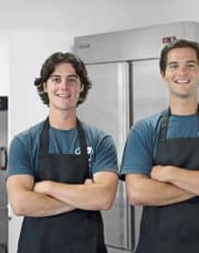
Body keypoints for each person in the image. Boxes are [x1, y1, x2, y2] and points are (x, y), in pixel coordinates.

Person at [120, 39, 199, 253]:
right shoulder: (144, 130)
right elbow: (137, 193)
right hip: (158, 246)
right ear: (163, 74)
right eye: (174, 66)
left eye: (190, 65)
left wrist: (169, 173)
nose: (182, 72)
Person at [7, 52, 119, 253]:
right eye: (56, 79)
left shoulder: (100, 141)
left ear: (81, 86)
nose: (64, 87)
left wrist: (48, 187)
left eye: (72, 80)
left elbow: (103, 199)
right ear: (45, 86)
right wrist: (83, 197)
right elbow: (20, 204)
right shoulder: (24, 142)